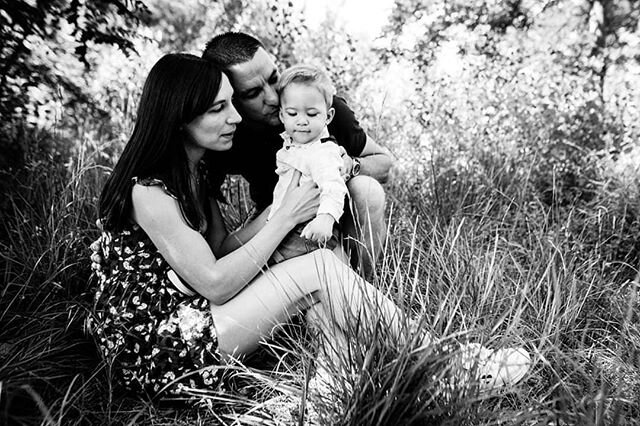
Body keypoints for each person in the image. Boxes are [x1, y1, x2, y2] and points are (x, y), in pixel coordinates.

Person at [87, 53, 531, 398]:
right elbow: (218, 283)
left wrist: (284, 203)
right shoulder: (148, 191)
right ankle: (446, 367)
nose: (236, 118)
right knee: (316, 269)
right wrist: (285, 217)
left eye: (231, 104)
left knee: (320, 274)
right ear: (180, 117)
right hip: (161, 349)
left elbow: (222, 249)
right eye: (219, 108)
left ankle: (332, 384)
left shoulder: (196, 171)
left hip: (198, 320)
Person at [202, 32, 391, 276]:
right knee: (321, 307)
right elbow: (207, 217)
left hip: (334, 211)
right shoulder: (226, 134)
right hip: (277, 221)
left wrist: (350, 165)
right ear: (230, 98)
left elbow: (384, 164)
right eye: (252, 94)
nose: (272, 97)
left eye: (273, 79)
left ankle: (366, 281)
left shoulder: (315, 108)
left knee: (368, 190)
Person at [268, 64, 347, 264]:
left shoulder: (322, 151)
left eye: (312, 114)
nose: (302, 121)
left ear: (328, 116)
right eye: (293, 114)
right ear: (282, 116)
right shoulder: (292, 146)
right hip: (285, 225)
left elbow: (334, 186)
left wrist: (326, 218)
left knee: (273, 266)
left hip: (308, 229)